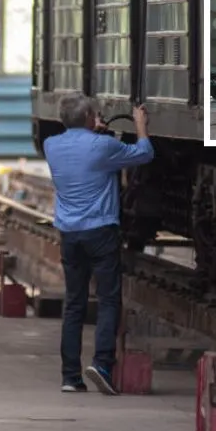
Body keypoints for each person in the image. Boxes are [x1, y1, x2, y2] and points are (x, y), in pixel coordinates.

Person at [41, 93, 154, 395]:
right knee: (107, 300)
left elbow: (85, 152)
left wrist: (95, 132)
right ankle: (102, 364)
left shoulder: (50, 145)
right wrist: (140, 124)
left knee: (74, 303)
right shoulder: (103, 146)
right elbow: (144, 153)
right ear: (91, 117)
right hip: (101, 233)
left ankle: (70, 376)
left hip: (69, 235)